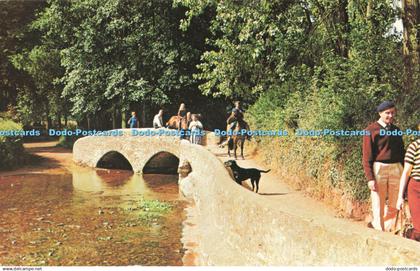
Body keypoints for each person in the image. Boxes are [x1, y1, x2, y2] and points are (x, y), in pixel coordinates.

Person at [362, 101, 405, 231]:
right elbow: (366, 156)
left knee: (395, 201)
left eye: (392, 113)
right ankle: (379, 229)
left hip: (396, 168)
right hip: (379, 168)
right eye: (387, 113)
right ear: (380, 113)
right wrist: (370, 178)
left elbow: (401, 152)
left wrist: (404, 172)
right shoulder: (370, 130)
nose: (390, 115)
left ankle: (389, 228)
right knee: (378, 201)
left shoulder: (396, 130)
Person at [396, 125, 420, 241]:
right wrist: (400, 197)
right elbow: (406, 172)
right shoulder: (414, 146)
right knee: (419, 229)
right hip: (416, 187)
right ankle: (408, 234)